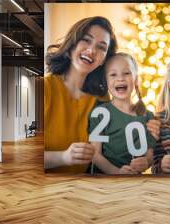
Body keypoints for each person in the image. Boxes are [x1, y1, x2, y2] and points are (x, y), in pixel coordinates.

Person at [44, 16, 118, 173]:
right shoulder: (44, 89)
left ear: (104, 60)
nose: (92, 50)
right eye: (86, 40)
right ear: (72, 44)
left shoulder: (102, 99)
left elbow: (104, 150)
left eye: (102, 47)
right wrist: (63, 157)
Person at [88, 53, 155, 174]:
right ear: (106, 81)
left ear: (136, 79)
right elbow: (95, 155)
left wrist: (146, 162)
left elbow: (150, 156)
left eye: (127, 73)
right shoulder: (100, 113)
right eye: (113, 74)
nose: (120, 78)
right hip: (105, 182)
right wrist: (117, 172)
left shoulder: (148, 116)